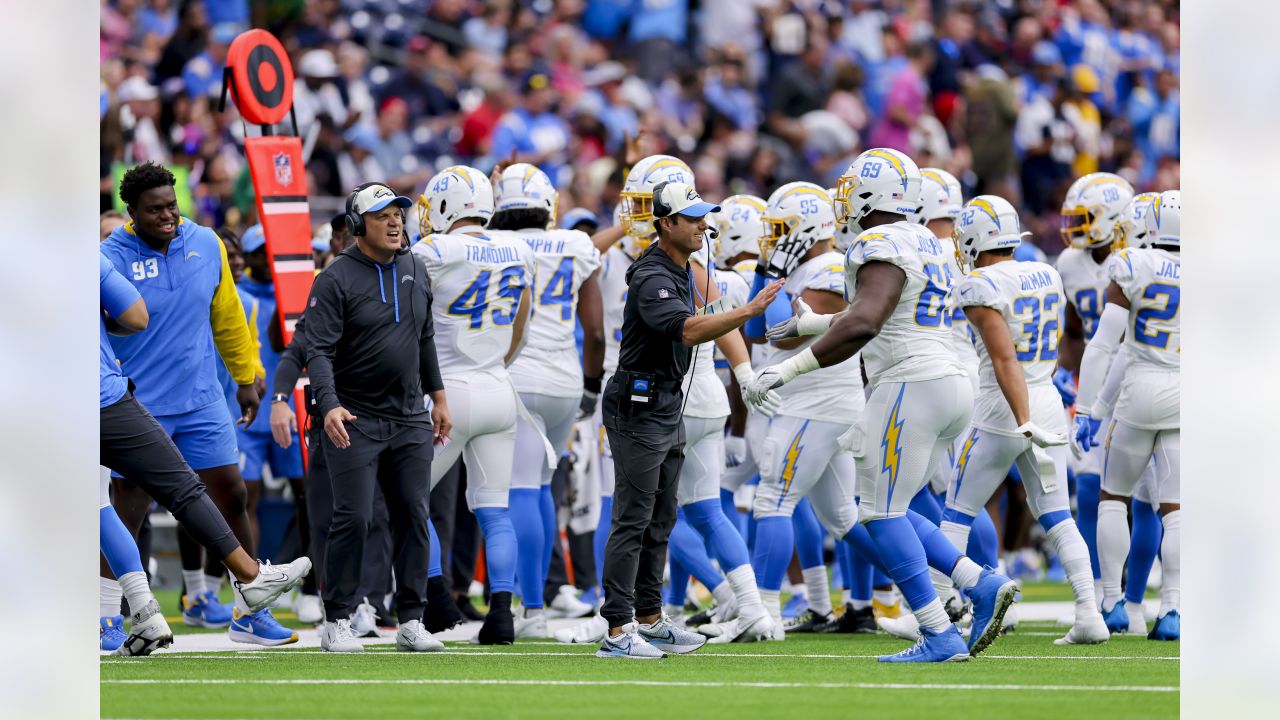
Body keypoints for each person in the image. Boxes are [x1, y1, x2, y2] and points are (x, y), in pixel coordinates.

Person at [747, 148, 1018, 663]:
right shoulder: (925, 239)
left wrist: (787, 367)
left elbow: (867, 321)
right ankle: (977, 583)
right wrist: (813, 325)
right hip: (947, 379)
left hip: (910, 383)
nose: (845, 198)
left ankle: (939, 631)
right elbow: (886, 313)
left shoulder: (880, 240)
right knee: (897, 505)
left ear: (873, 193)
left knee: (878, 512)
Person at [101, 162, 295, 647]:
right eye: (155, 209)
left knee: (231, 492)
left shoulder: (205, 242)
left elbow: (227, 313)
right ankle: (106, 616)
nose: (169, 216)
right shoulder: (110, 255)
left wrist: (245, 375)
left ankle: (248, 613)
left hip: (203, 397)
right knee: (127, 509)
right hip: (138, 400)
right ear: (132, 212)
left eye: (173, 205)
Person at [597, 180, 782, 659]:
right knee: (633, 519)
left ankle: (651, 618)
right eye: (693, 216)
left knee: (662, 517)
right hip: (637, 405)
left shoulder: (681, 268)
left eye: (705, 215)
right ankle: (618, 630)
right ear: (666, 223)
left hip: (665, 403)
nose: (704, 223)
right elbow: (687, 329)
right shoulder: (653, 273)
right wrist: (749, 310)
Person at [942, 194, 1108, 646]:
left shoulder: (979, 282)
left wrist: (1021, 417)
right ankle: (1089, 614)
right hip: (1046, 397)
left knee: (954, 517)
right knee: (1057, 516)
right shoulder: (1048, 272)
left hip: (1003, 407)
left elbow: (1003, 359)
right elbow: (1046, 349)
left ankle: (938, 618)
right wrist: (1037, 411)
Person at [305, 182, 452, 654]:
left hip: (410, 415)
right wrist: (328, 405)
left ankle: (411, 619)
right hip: (355, 417)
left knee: (413, 514)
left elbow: (424, 338)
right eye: (382, 214)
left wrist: (439, 397)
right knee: (355, 518)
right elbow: (318, 351)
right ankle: (339, 619)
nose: (395, 221)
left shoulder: (415, 267)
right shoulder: (334, 278)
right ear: (355, 226)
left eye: (399, 213)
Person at [733, 183, 864, 638]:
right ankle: (936, 589)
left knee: (773, 499)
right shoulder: (803, 267)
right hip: (815, 402)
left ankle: (763, 611)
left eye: (782, 230)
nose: (773, 240)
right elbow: (752, 327)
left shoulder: (829, 269)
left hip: (819, 402)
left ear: (808, 229)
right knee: (843, 517)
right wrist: (766, 275)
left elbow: (782, 335)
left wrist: (775, 274)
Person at [412, 165, 533, 645]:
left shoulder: (432, 250)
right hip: (498, 387)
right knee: (495, 510)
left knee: (409, 497)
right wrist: (498, 363)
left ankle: (438, 596)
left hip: (448, 389)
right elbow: (522, 320)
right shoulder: (518, 248)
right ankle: (501, 614)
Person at [487, 163, 603, 637]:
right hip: (566, 378)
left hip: (518, 374)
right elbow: (593, 331)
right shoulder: (577, 243)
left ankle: (532, 608)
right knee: (540, 489)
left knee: (519, 489)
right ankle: (536, 606)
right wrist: (592, 388)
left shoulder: (495, 245)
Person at [1074, 190, 1181, 641]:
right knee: (1176, 508)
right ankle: (1173, 608)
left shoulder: (1133, 265)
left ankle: (1112, 601)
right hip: (1186, 391)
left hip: (1139, 389)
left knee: (1113, 497)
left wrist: (1089, 408)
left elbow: (1105, 346)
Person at [1056, 172, 1159, 630]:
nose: (1075, 228)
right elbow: (1076, 331)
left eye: (1085, 218)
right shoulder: (1068, 263)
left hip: (1141, 378)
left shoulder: (1145, 257)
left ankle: (1135, 601)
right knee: (1089, 487)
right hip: (1098, 385)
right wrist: (1065, 368)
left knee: (1148, 497)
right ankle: (1102, 594)